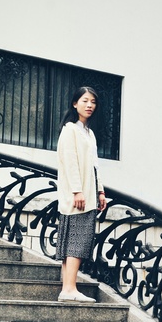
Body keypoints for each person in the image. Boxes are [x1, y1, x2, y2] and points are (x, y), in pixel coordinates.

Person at [55, 86, 107, 303]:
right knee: (76, 241)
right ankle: (69, 289)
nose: (89, 105)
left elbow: (94, 165)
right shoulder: (70, 130)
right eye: (85, 101)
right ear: (75, 104)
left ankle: (67, 288)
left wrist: (100, 190)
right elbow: (70, 161)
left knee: (75, 240)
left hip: (89, 193)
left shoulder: (89, 133)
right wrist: (77, 190)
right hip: (78, 194)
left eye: (93, 101)